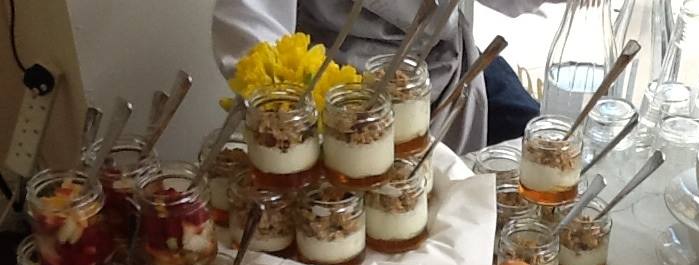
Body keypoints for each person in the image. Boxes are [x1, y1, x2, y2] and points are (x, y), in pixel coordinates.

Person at [212, 0, 556, 153]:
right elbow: (251, 34)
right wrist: (294, 118)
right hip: (339, 90)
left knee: (540, 140)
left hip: (448, 61)